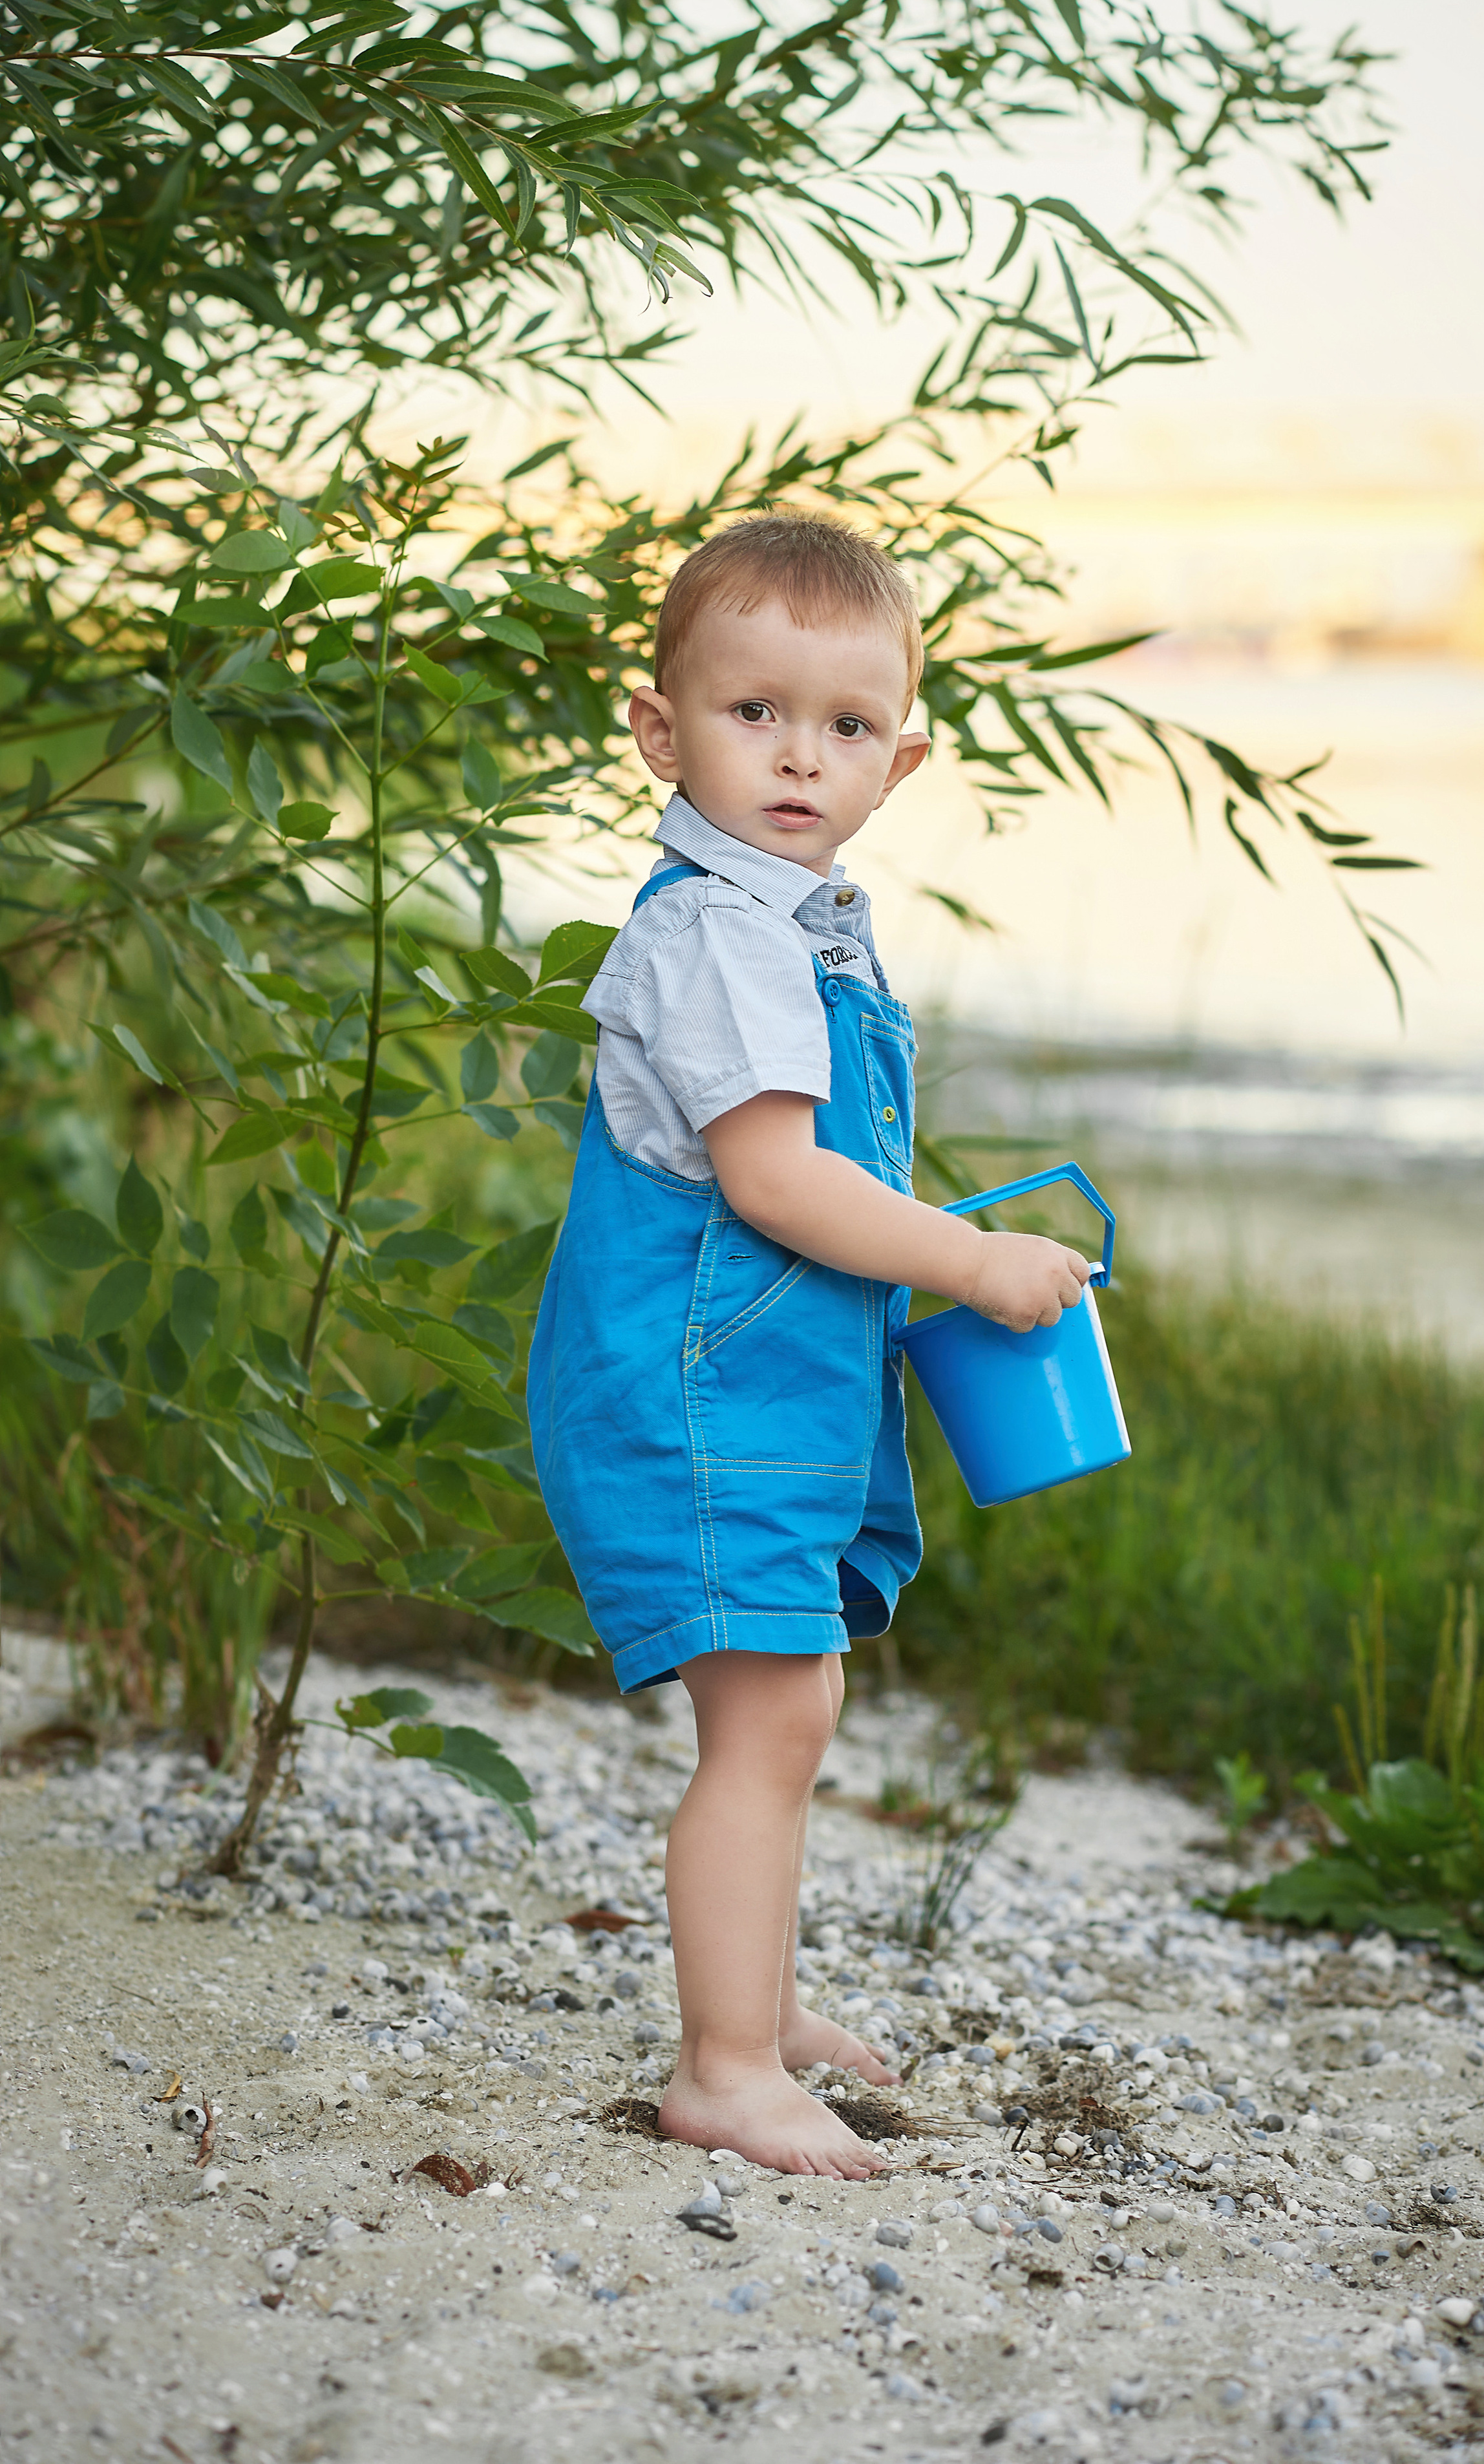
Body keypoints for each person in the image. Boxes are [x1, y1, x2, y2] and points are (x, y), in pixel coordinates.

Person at [527, 513, 1090, 2176]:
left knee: (794, 1697)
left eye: (844, 725)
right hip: (696, 1394)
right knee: (767, 1718)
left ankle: (756, 2012)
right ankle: (720, 2066)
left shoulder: (798, 926)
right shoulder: (717, 932)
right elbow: (775, 1181)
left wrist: (936, 1256)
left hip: (771, 1389)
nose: (797, 756)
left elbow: (820, 1173)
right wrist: (968, 1261)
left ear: (898, 762)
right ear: (660, 731)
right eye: (752, 711)